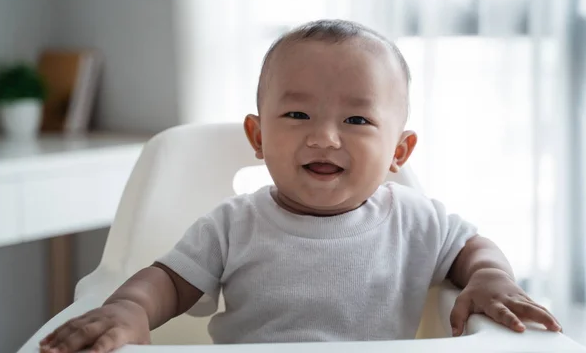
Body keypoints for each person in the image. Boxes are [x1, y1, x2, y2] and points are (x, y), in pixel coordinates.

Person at [40, 19, 561, 353]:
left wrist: (491, 277)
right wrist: (131, 308)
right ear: (259, 136)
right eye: (297, 113)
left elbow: (472, 249)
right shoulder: (234, 223)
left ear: (399, 152)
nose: (324, 137)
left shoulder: (415, 219)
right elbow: (169, 282)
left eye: (357, 121)